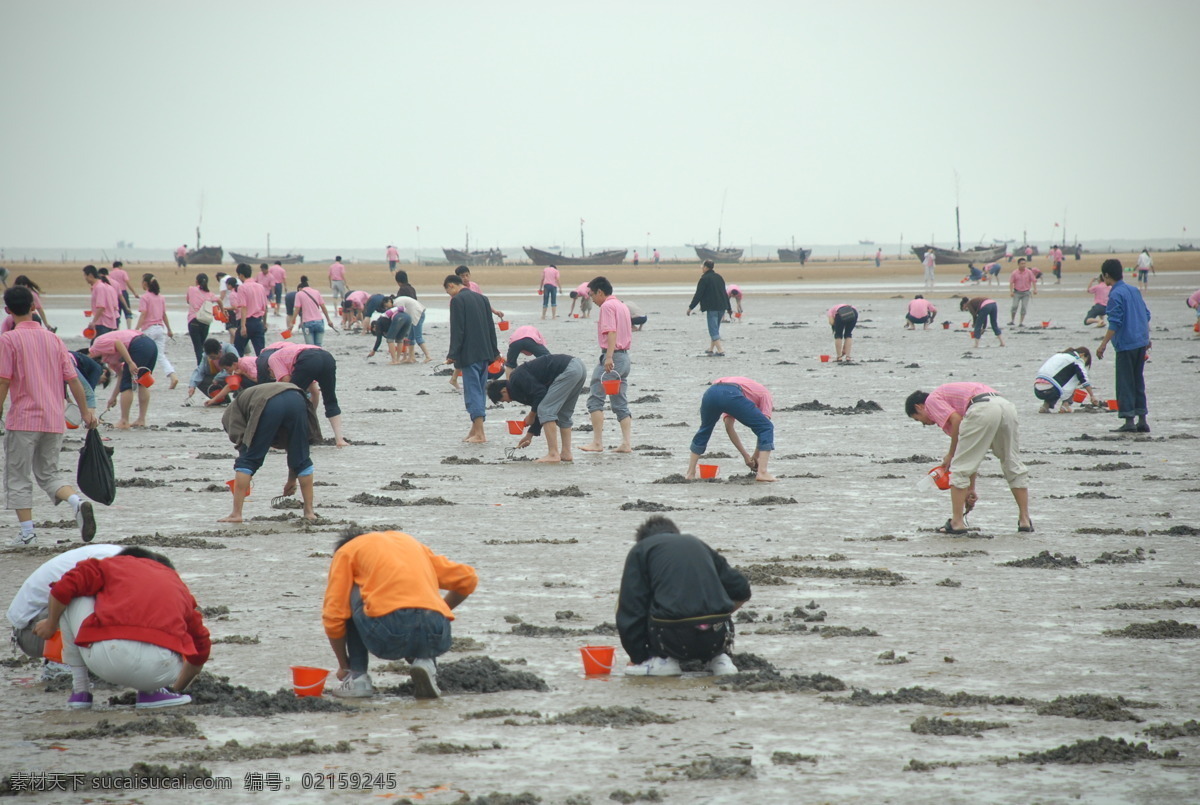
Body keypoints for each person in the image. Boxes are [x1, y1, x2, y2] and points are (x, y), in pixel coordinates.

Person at [31, 547, 208, 710]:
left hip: (106, 660)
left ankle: (81, 692)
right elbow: (201, 650)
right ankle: (153, 693)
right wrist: (175, 689)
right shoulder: (179, 587)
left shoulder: (109, 565)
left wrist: (50, 624)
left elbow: (63, 588)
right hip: (162, 670)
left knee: (74, 595)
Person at [322, 529, 477, 699]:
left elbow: (334, 615)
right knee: (422, 600)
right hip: (437, 634)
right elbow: (467, 579)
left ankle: (357, 678)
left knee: (349, 592)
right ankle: (426, 662)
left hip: (389, 634)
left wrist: (344, 666)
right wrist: (439, 610)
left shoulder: (347, 551)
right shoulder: (410, 542)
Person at [0, 286, 99, 546]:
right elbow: (73, 380)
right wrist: (86, 411)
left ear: (7, 310)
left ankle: (27, 534)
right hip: (54, 419)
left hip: (23, 419)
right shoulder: (54, 339)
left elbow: (3, 381)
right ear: (34, 307)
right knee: (49, 474)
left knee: (18, 476)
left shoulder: (8, 340)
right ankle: (76, 503)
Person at [617, 516, 750, 677]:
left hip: (671, 640)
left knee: (647, 602)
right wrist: (711, 618)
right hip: (716, 637)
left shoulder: (641, 550)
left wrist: (638, 657)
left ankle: (662, 661)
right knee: (709, 618)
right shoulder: (697, 543)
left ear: (641, 539)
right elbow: (741, 589)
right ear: (675, 533)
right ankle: (719, 659)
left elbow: (631, 608)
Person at [906, 383, 1032, 534]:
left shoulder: (931, 400)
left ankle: (957, 522)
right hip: (1005, 406)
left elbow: (956, 420)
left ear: (919, 407)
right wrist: (971, 489)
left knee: (958, 469)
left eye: (918, 419)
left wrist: (951, 454)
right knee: (1012, 463)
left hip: (982, 408)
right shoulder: (947, 395)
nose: (924, 423)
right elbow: (972, 454)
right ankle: (1024, 520)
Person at [220, 381, 321, 522]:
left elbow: (244, 444)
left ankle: (236, 514)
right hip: (297, 398)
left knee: (248, 460)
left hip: (270, 402)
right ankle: (309, 512)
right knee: (302, 458)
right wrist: (291, 479)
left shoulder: (230, 415)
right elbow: (292, 448)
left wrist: (246, 467)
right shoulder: (246, 400)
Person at [7, 543, 122, 664]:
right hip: (32, 630)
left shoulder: (122, 557)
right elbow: (60, 590)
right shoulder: (110, 561)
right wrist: (51, 624)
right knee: (95, 605)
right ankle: (64, 665)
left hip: (38, 621)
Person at [487, 353, 586, 463]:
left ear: (503, 391)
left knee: (546, 410)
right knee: (563, 413)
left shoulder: (516, 379)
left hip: (568, 369)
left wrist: (531, 415)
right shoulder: (517, 389)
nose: (508, 402)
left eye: (503, 400)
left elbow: (541, 395)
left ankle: (553, 454)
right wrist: (529, 436)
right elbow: (540, 403)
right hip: (579, 366)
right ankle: (566, 453)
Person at [443, 274, 501, 443]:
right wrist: (495, 351)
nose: (450, 295)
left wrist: (452, 355)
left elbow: (457, 329)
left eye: (448, 291)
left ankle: (480, 434)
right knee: (480, 390)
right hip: (485, 352)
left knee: (472, 392)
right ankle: (474, 430)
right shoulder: (482, 298)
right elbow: (491, 327)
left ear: (451, 286)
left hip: (469, 354)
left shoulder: (457, 301)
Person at [1096, 259, 1151, 433]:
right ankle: (1142, 419)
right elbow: (1146, 315)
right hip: (1140, 342)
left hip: (1126, 345)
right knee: (1138, 380)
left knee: (1125, 382)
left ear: (1106, 275)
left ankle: (1129, 421)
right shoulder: (1134, 290)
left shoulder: (1115, 294)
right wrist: (1146, 336)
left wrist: (1103, 344)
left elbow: (1114, 323)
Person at [686, 377, 776, 482]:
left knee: (705, 429)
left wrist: (746, 456)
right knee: (767, 427)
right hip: (731, 392)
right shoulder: (766, 394)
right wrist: (756, 457)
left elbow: (729, 426)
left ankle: (690, 473)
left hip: (711, 392)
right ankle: (763, 472)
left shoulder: (746, 388)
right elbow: (764, 428)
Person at [580, 276, 633, 454]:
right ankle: (626, 443)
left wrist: (608, 357)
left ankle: (597, 442)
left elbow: (611, 332)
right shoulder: (621, 305)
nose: (591, 299)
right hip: (625, 358)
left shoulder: (607, 306)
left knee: (595, 397)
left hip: (613, 357)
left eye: (592, 294)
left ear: (600, 292)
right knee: (619, 401)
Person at [263, 343, 349, 447]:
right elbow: (314, 391)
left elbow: (287, 385)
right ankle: (340, 440)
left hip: (308, 359)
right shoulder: (290, 357)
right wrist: (312, 414)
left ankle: (288, 437)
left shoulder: (272, 359)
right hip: (327, 357)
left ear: (269, 369)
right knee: (330, 399)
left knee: (291, 397)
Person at [88, 329, 158, 428]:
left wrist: (129, 362)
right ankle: (141, 420)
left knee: (128, 384)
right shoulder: (109, 359)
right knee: (143, 381)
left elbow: (118, 343)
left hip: (138, 345)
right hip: (150, 344)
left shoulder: (97, 344)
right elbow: (121, 376)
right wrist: (113, 397)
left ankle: (124, 421)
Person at [135, 274, 178, 389]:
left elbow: (143, 314)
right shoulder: (161, 297)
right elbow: (164, 314)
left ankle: (141, 379)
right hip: (160, 328)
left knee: (142, 355)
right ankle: (172, 376)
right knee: (160, 355)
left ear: (145, 283)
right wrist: (169, 329)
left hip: (149, 329)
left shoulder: (145, 297)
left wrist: (136, 329)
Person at [687, 260, 732, 356]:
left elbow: (698, 295)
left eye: (702, 266)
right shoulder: (719, 277)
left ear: (706, 267)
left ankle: (720, 350)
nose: (702, 268)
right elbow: (725, 293)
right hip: (722, 306)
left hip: (712, 307)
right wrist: (728, 308)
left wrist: (691, 307)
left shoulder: (704, 279)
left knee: (713, 329)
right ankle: (711, 349)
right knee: (715, 328)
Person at [1035, 347, 1099, 413]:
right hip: (1052, 390)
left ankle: (1045, 406)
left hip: (1037, 389)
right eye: (1086, 361)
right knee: (1076, 376)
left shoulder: (1058, 355)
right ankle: (1065, 405)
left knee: (1054, 381)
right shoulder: (1076, 360)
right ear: (1082, 355)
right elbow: (1084, 379)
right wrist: (1092, 396)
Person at [289, 276, 337, 346]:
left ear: (300, 288)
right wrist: (329, 320)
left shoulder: (299, 294)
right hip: (319, 322)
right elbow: (323, 307)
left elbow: (296, 310)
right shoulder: (316, 292)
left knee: (310, 347)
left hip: (307, 324)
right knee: (318, 346)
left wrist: (292, 323)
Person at [233, 263, 269, 356]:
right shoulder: (260, 287)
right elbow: (265, 307)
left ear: (241, 275)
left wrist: (243, 326)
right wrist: (264, 323)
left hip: (247, 322)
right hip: (258, 322)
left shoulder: (242, 287)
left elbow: (244, 307)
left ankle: (238, 369)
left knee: (237, 351)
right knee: (261, 353)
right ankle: (262, 370)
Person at [185, 274, 218, 365]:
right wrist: (223, 310)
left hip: (194, 321)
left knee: (198, 348)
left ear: (196, 281)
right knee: (202, 347)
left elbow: (188, 301)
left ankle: (201, 367)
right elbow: (219, 301)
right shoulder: (210, 294)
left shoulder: (191, 289)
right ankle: (206, 366)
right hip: (205, 323)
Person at [83, 265, 120, 339]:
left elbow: (101, 307)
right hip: (109, 321)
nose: (85, 278)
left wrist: (93, 322)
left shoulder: (99, 287)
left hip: (103, 322)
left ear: (90, 275)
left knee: (97, 347)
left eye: (85, 276)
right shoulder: (106, 286)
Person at [394, 294, 429, 362]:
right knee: (410, 337)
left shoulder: (397, 302)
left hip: (417, 314)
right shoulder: (399, 300)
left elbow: (401, 314)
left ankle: (428, 356)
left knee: (418, 337)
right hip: (416, 314)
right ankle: (411, 357)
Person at [1008, 257, 1037, 326]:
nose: (1023, 265)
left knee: (1024, 307)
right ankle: (1012, 321)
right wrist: (1011, 292)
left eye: (1024, 263)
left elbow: (1034, 280)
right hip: (1017, 292)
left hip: (1026, 293)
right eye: (1022, 264)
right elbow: (1011, 283)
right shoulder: (1014, 273)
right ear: (1018, 264)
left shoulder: (1029, 272)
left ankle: (1021, 322)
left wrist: (1035, 289)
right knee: (1014, 306)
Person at [107, 262, 136, 328]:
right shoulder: (123, 272)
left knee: (117, 312)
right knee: (127, 310)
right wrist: (134, 293)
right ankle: (129, 328)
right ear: (120, 266)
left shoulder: (110, 274)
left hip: (114, 293)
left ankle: (117, 328)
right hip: (123, 292)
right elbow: (128, 283)